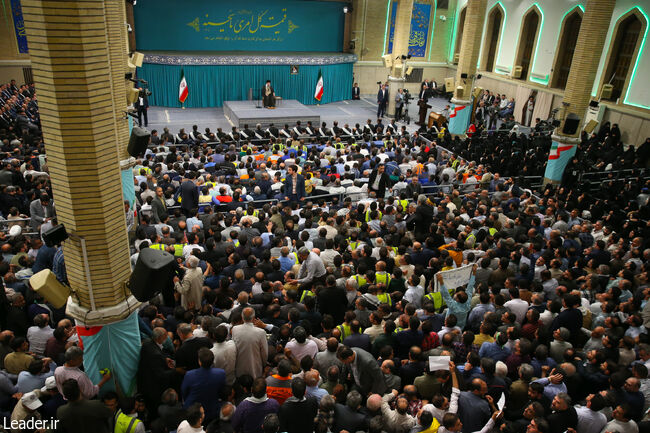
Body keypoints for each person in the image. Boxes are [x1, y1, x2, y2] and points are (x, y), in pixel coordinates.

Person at [231, 307, 268, 379]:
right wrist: (264, 364)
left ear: (242, 317)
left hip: (239, 366)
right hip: (255, 367)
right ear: (253, 318)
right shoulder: (261, 332)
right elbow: (264, 353)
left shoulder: (235, 329)